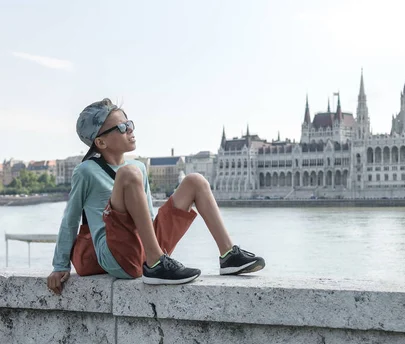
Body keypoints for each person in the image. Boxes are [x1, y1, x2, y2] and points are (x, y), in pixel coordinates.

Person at [47, 98, 265, 294]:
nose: (130, 130)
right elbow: (71, 219)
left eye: (129, 124)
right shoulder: (86, 171)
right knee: (129, 173)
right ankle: (155, 264)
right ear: (101, 143)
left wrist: (159, 238)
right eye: (122, 128)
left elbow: (148, 215)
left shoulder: (138, 168)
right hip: (116, 254)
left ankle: (228, 255)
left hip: (145, 245)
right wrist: (60, 266)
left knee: (195, 181)